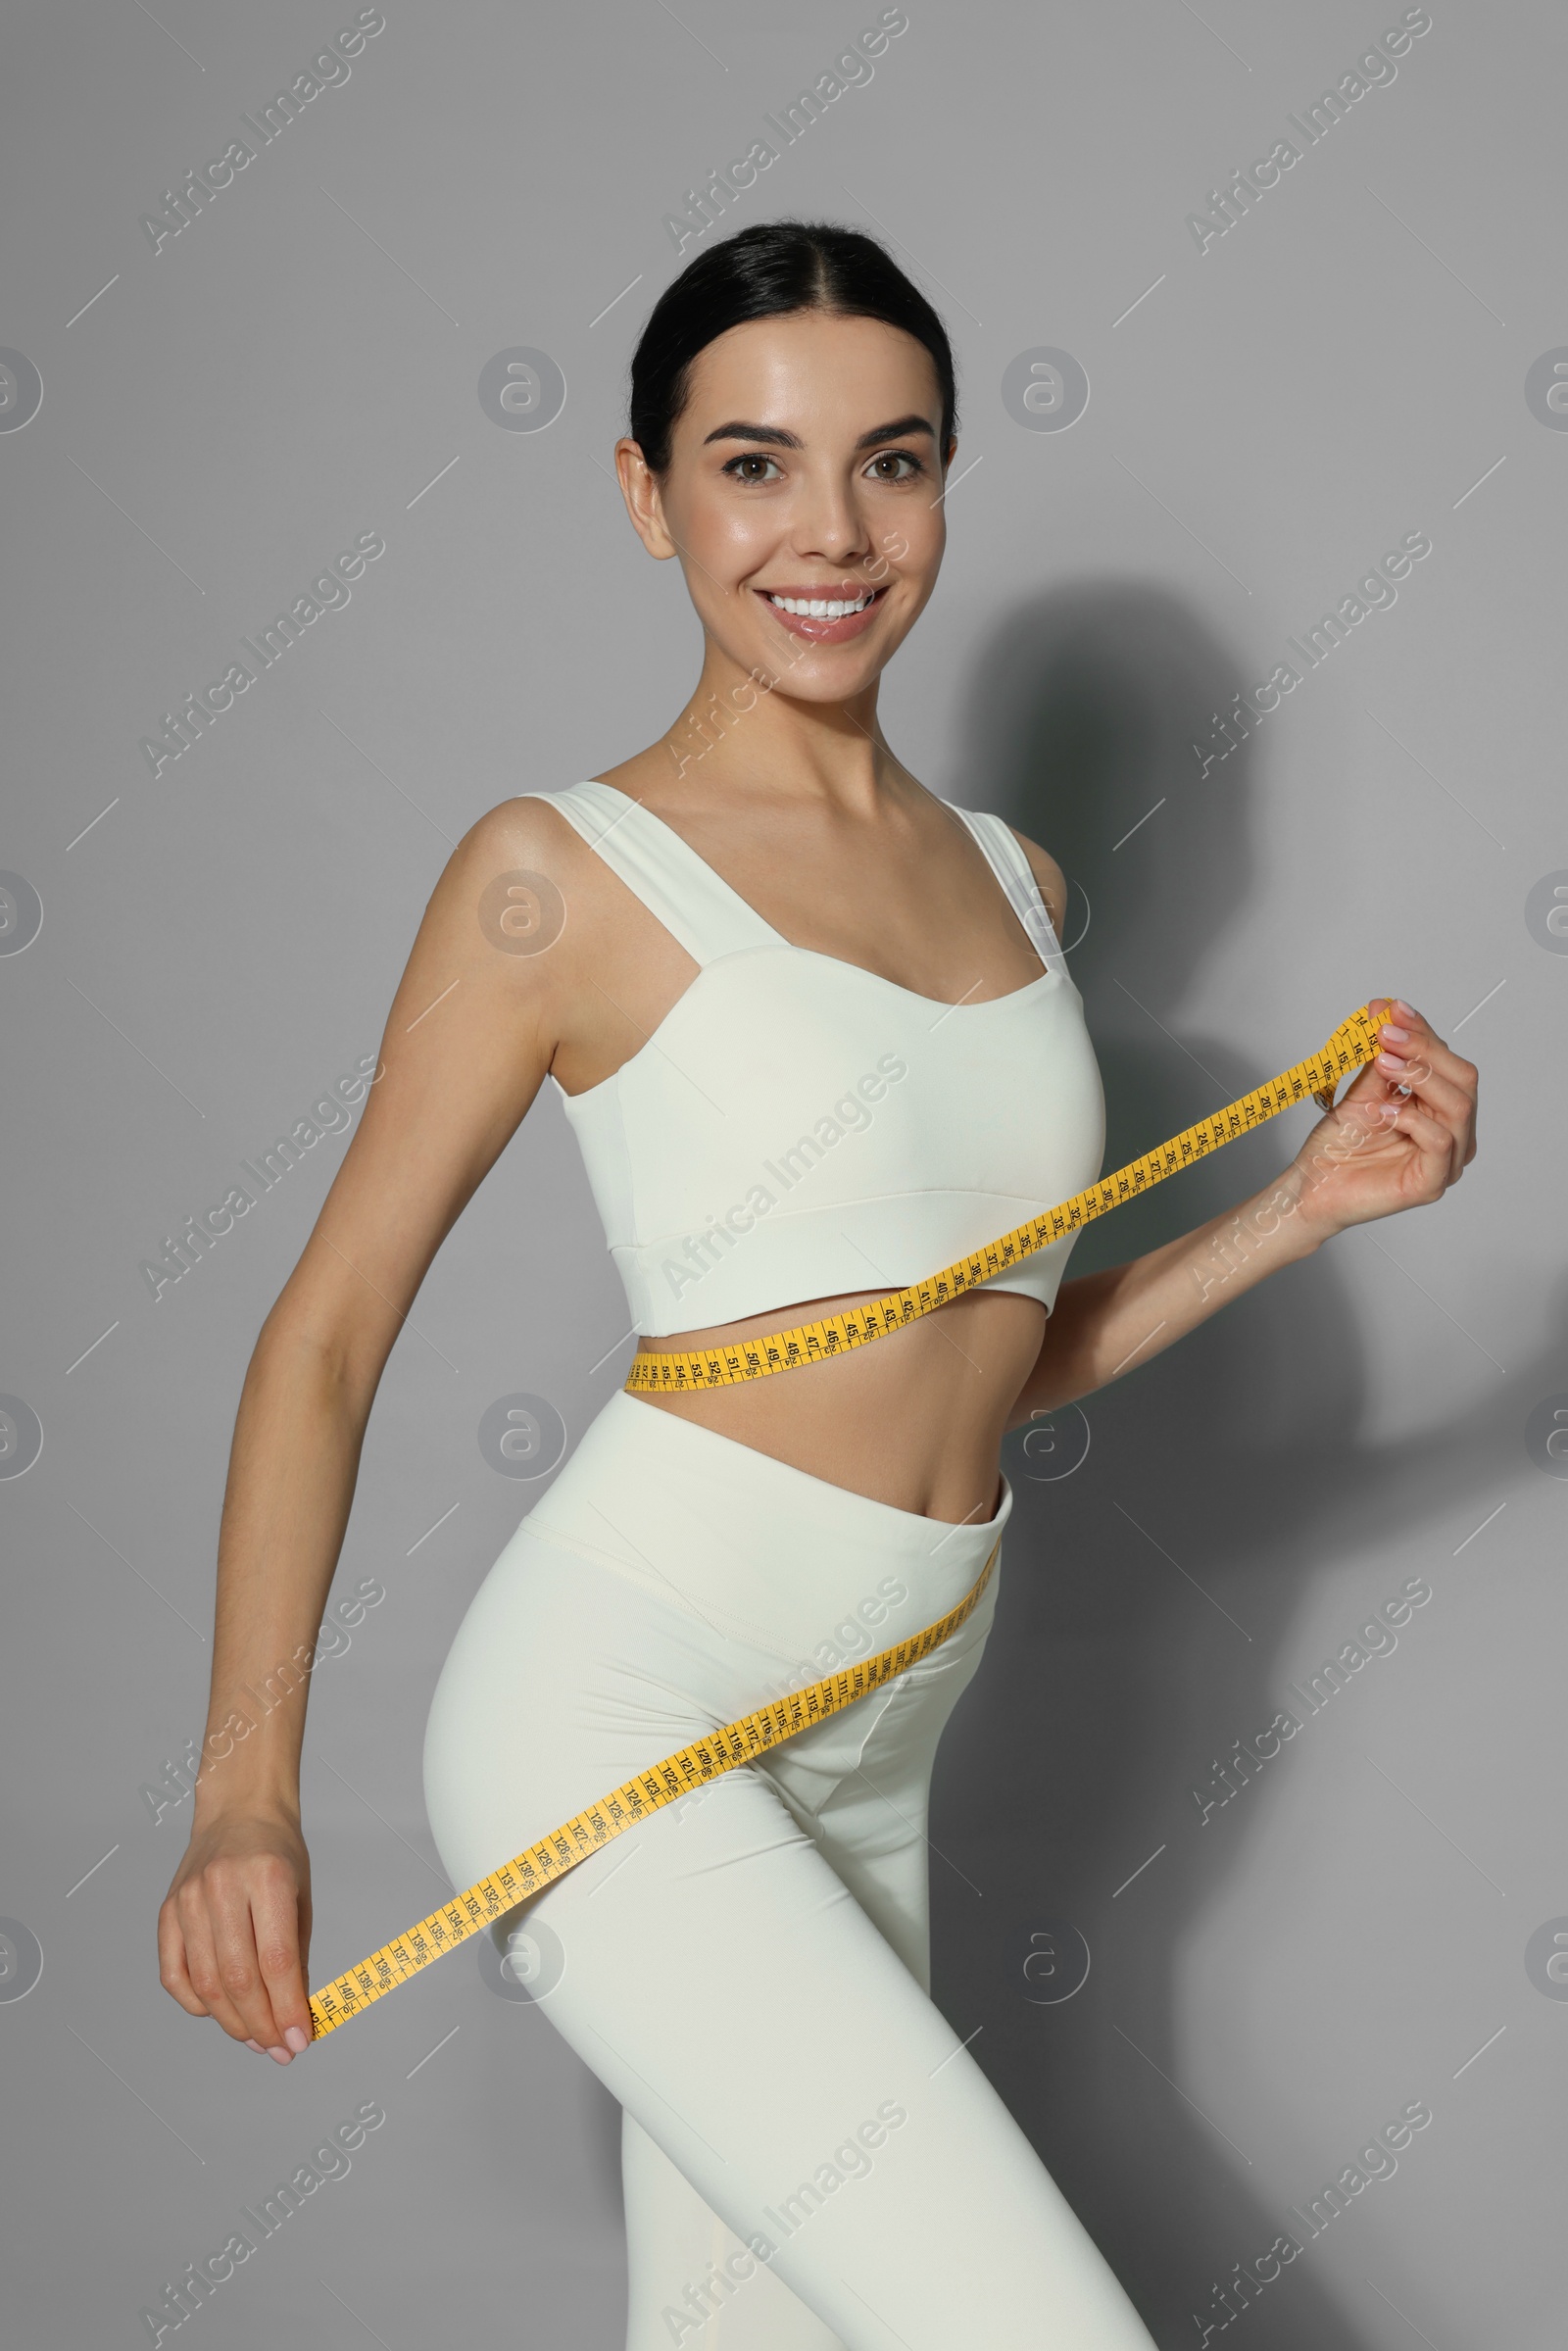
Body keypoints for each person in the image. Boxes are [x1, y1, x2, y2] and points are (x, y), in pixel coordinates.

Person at [157, 220, 1479, 2348]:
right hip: (630, 1711)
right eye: (753, 464)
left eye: (894, 459)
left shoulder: (1014, 885)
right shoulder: (555, 875)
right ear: (641, 491)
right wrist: (242, 1785)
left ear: (948, 478)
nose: (832, 531)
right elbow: (320, 1337)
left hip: (885, 1725)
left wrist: (1295, 1213)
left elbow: (980, 1364)